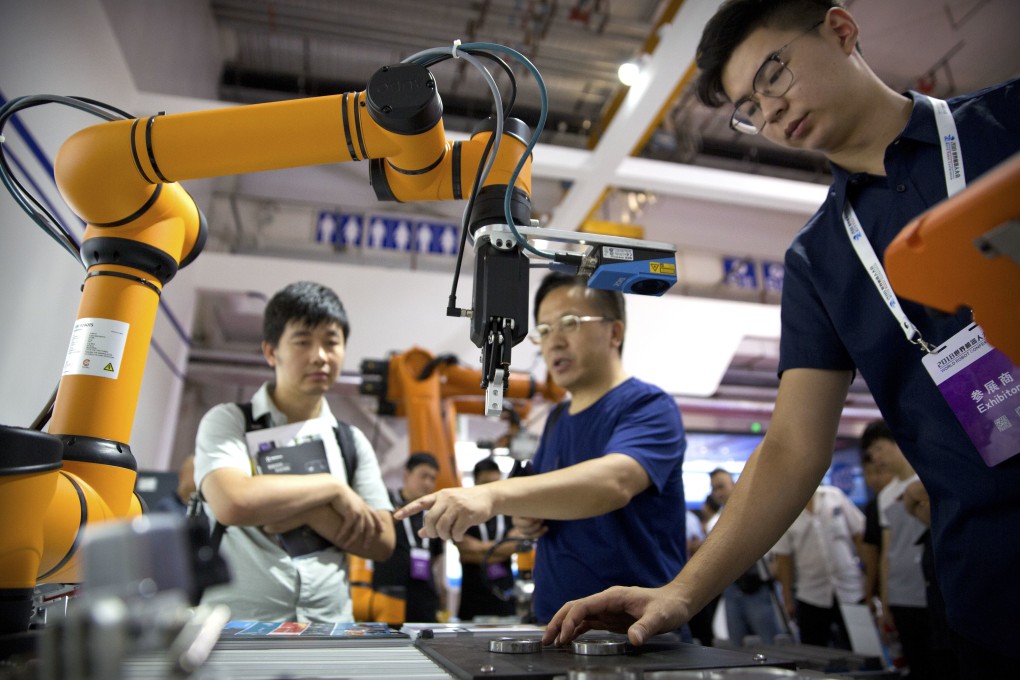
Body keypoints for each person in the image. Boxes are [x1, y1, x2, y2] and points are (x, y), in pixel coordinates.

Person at [541, 2, 1020, 675]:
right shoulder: (819, 259)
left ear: (840, 28)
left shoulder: (1006, 125)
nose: (769, 112)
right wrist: (682, 592)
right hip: (990, 592)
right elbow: (794, 446)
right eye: (748, 107)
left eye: (774, 74)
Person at [395, 272, 688, 625]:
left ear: (615, 332)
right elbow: (561, 497)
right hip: (553, 628)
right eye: (545, 330)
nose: (554, 342)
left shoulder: (648, 406)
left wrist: (493, 495)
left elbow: (614, 483)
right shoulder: (557, 419)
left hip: (634, 635)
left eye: (570, 323)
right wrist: (527, 516)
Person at [193, 281, 395, 622]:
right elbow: (233, 501)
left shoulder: (351, 441)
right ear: (271, 352)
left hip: (329, 627)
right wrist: (330, 489)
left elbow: (383, 540)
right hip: (238, 626)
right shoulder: (230, 421)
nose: (320, 356)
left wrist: (306, 513)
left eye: (332, 343)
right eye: (303, 341)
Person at [862, 421, 935, 678]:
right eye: (872, 453)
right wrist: (886, 600)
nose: (877, 458)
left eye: (880, 448)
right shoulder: (885, 496)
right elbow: (886, 551)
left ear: (898, 443)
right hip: (901, 592)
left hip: (931, 588)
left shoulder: (928, 479)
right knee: (915, 664)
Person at [772, 484, 865, 649]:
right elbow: (784, 559)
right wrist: (787, 599)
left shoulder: (834, 496)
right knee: (815, 650)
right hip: (811, 593)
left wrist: (869, 580)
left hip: (850, 587)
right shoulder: (784, 509)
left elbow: (858, 533)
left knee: (863, 645)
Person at [707, 468, 783, 646]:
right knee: (736, 646)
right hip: (732, 590)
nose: (718, 493)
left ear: (733, 485)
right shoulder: (714, 523)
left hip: (756, 588)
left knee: (769, 641)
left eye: (721, 487)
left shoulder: (754, 511)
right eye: (714, 489)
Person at [371, 452, 446, 624]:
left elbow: (436, 556)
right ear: (407, 475)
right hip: (388, 593)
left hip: (423, 597)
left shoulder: (434, 513)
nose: (428, 483)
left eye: (432, 478)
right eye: (423, 476)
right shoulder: (385, 503)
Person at [455, 457, 526, 621]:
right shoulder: (463, 513)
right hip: (472, 600)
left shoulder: (509, 512)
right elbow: (465, 552)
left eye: (495, 483)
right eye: (485, 483)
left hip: (505, 599)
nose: (490, 489)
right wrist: (501, 550)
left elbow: (515, 545)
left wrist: (480, 549)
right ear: (475, 483)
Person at [858, 449, 892, 616]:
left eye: (879, 472)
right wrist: (870, 592)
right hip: (887, 589)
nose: (873, 479)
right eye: (868, 473)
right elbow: (870, 553)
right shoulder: (873, 507)